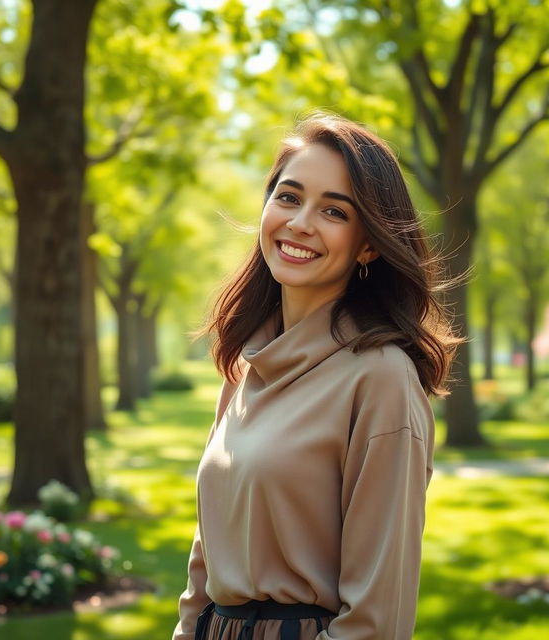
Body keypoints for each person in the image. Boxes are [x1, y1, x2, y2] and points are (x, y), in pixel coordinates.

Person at [172, 113, 460, 640]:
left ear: (369, 244)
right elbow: (207, 552)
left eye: (334, 210)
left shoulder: (381, 380)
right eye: (288, 197)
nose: (301, 222)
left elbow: (377, 619)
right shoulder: (245, 366)